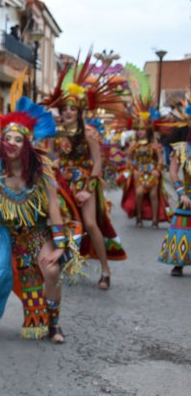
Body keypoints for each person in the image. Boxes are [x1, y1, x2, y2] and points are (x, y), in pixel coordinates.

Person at [0, 95, 82, 343]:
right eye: (8, 138)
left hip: (36, 232)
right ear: (1, 142)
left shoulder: (42, 174)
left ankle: (54, 324)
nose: (12, 143)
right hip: (6, 232)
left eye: (18, 139)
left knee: (52, 270)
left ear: (27, 144)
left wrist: (59, 247)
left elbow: (54, 212)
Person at [42, 51, 127, 290]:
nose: (68, 112)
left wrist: (89, 190)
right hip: (63, 181)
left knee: (90, 223)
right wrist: (51, 165)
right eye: (65, 108)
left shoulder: (88, 132)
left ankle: (106, 270)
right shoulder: (55, 132)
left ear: (79, 112)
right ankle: (59, 262)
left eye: (73, 108)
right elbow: (52, 156)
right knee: (55, 221)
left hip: (84, 181)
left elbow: (97, 163)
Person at [120, 99, 169, 228]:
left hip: (152, 173)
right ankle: (139, 218)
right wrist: (134, 170)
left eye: (142, 129)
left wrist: (157, 170)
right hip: (139, 173)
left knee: (153, 194)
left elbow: (160, 159)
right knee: (139, 193)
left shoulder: (154, 145)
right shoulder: (133, 145)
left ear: (148, 130)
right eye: (138, 129)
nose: (140, 132)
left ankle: (155, 220)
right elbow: (129, 159)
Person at [159, 95, 191, 276]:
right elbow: (172, 172)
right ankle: (179, 262)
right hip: (187, 195)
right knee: (183, 228)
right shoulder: (181, 148)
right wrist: (181, 193)